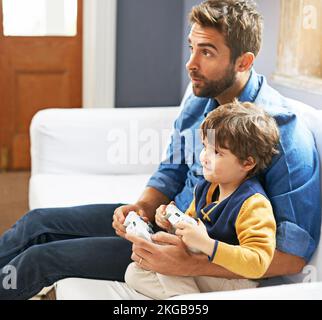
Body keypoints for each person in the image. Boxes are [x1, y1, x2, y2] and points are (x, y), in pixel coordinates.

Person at [0, 0, 320, 300]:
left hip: (197, 250)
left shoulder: (285, 136)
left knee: (40, 259)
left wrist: (190, 264)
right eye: (191, 48)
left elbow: (291, 259)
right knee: (36, 223)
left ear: (244, 61)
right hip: (166, 223)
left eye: (206, 52)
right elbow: (173, 168)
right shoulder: (201, 97)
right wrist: (142, 207)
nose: (190, 64)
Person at [124, 100, 279, 300]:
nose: (204, 157)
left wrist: (207, 244)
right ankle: (186, 295)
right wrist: (170, 222)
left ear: (247, 162)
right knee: (134, 272)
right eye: (205, 147)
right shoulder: (206, 187)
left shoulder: (253, 204)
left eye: (217, 153)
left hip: (233, 280)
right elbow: (188, 227)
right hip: (199, 267)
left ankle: (188, 299)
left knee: (169, 265)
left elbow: (258, 263)